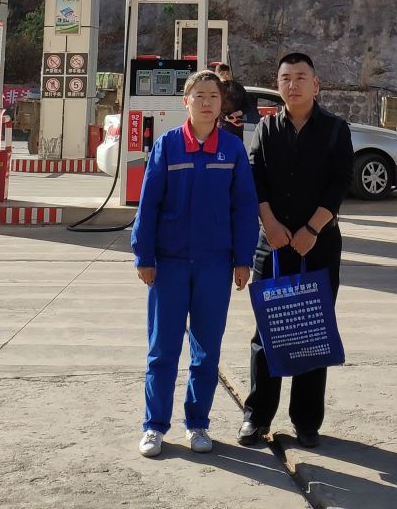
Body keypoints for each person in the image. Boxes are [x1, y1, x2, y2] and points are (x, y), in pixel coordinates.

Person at [130, 70, 258, 459]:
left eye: (213, 96)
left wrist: (243, 258)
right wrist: (144, 256)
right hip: (169, 264)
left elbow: (244, 207)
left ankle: (198, 424)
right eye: (198, 95)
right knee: (162, 350)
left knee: (207, 351)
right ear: (185, 102)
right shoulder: (168, 146)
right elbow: (148, 204)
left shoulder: (232, 150)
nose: (206, 102)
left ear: (222, 104)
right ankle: (154, 426)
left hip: (215, 265)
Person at [240, 52, 353, 450]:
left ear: (315, 84)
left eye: (301, 77)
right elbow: (255, 177)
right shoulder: (266, 128)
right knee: (266, 330)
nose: (293, 84)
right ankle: (257, 416)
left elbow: (339, 183)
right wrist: (270, 225)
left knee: (311, 328)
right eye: (286, 77)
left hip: (318, 245)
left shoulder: (336, 130)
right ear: (279, 84)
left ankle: (306, 421)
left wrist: (312, 229)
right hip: (272, 245)